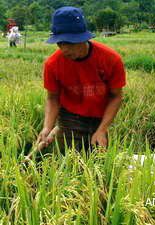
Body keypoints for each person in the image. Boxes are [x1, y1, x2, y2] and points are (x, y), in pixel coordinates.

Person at [37, 6, 126, 154]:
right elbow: (53, 98)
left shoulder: (110, 59)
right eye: (60, 44)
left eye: (69, 43)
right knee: (67, 163)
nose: (64, 49)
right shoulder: (52, 64)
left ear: (83, 38)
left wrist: (102, 129)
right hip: (70, 117)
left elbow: (115, 96)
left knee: (99, 161)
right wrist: (47, 127)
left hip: (100, 117)